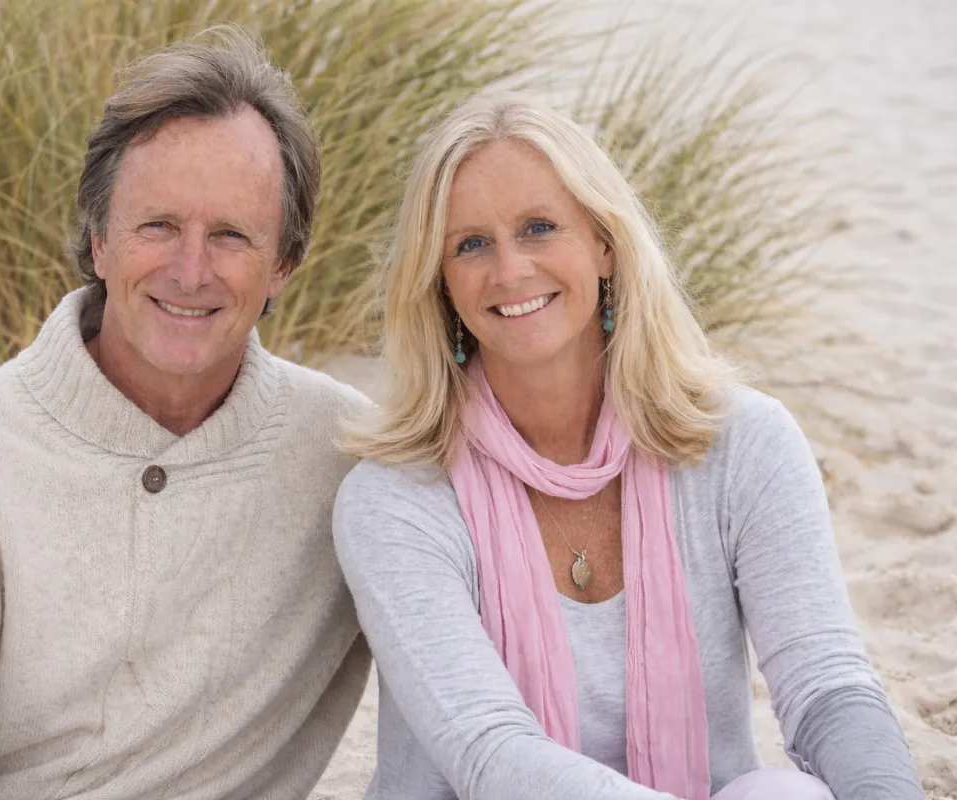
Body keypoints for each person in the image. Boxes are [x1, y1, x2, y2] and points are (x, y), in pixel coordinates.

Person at [0, 28, 370, 800]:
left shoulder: (351, 457)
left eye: (231, 235)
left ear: (283, 266)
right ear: (99, 239)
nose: (191, 270)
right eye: (158, 226)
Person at [333, 95, 924, 800]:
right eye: (471, 244)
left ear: (604, 244)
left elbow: (828, 690)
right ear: (441, 284)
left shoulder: (744, 445)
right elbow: (490, 754)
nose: (510, 269)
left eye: (539, 228)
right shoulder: (396, 498)